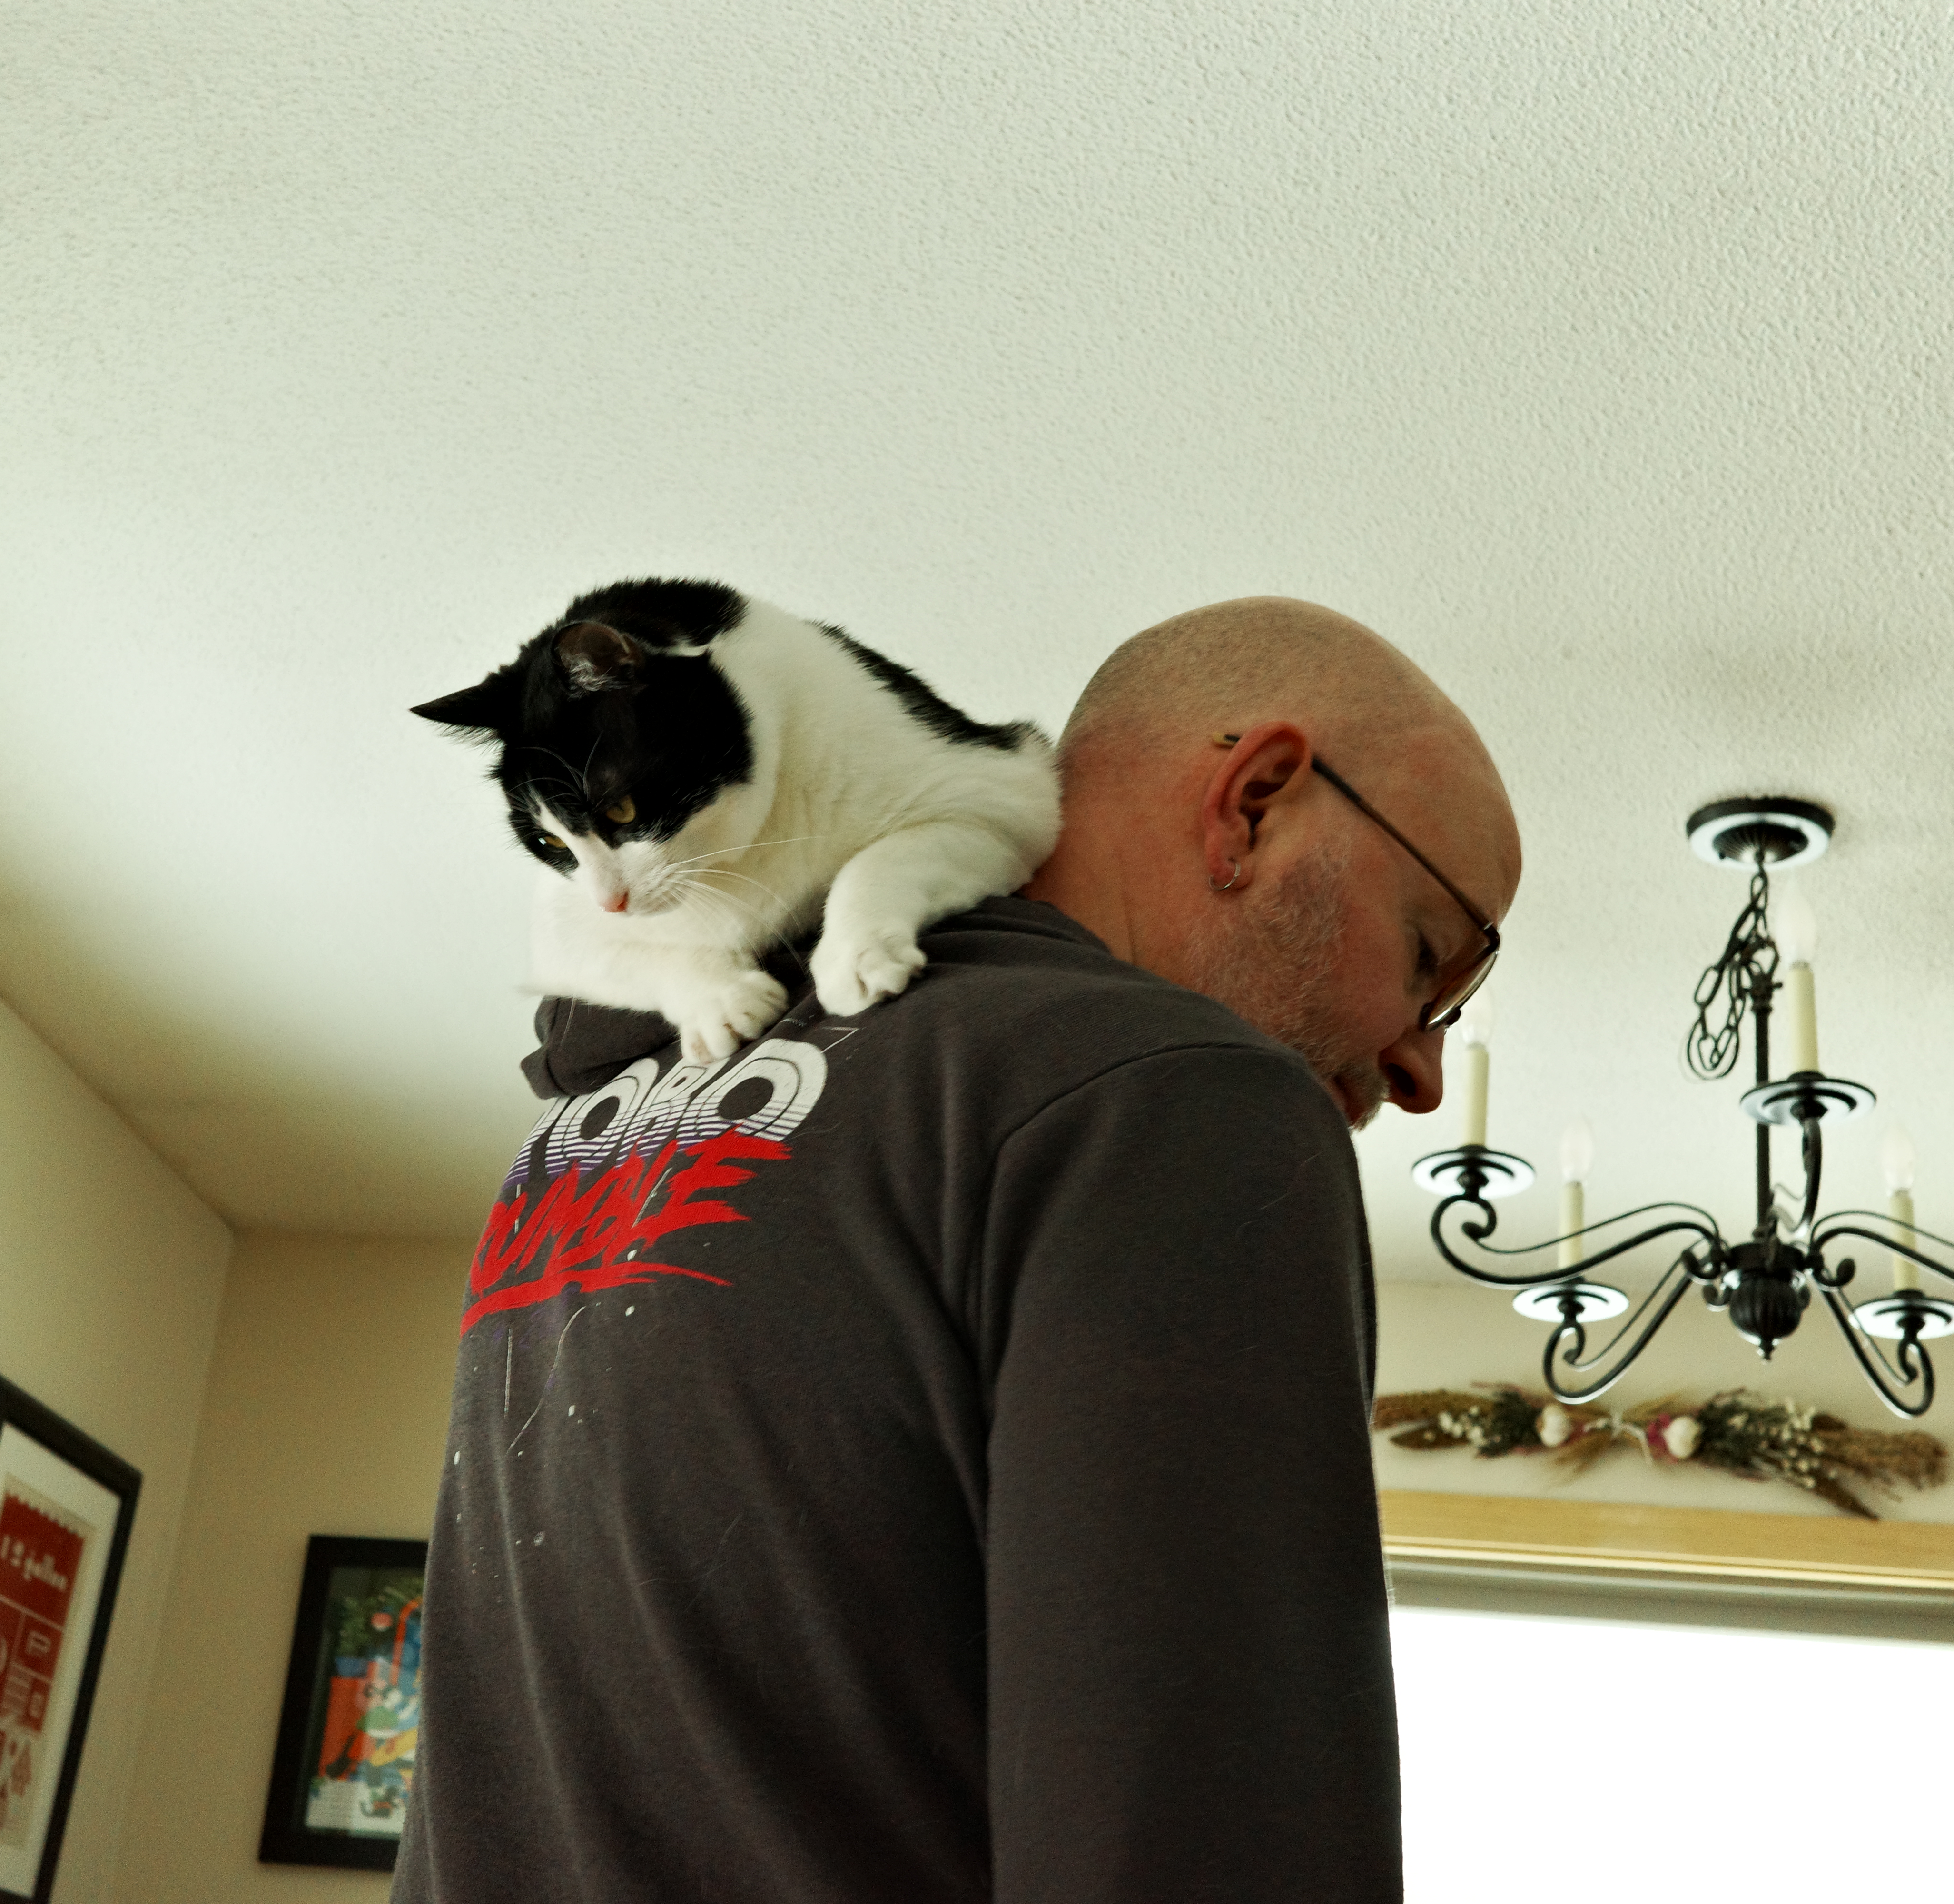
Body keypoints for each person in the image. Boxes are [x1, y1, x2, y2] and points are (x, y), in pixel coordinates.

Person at [394, 597, 1522, 1904]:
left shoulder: (589, 1137)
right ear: (1256, 800)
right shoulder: (1172, 1099)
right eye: (1431, 959)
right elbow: (1204, 1839)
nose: (1427, 1067)